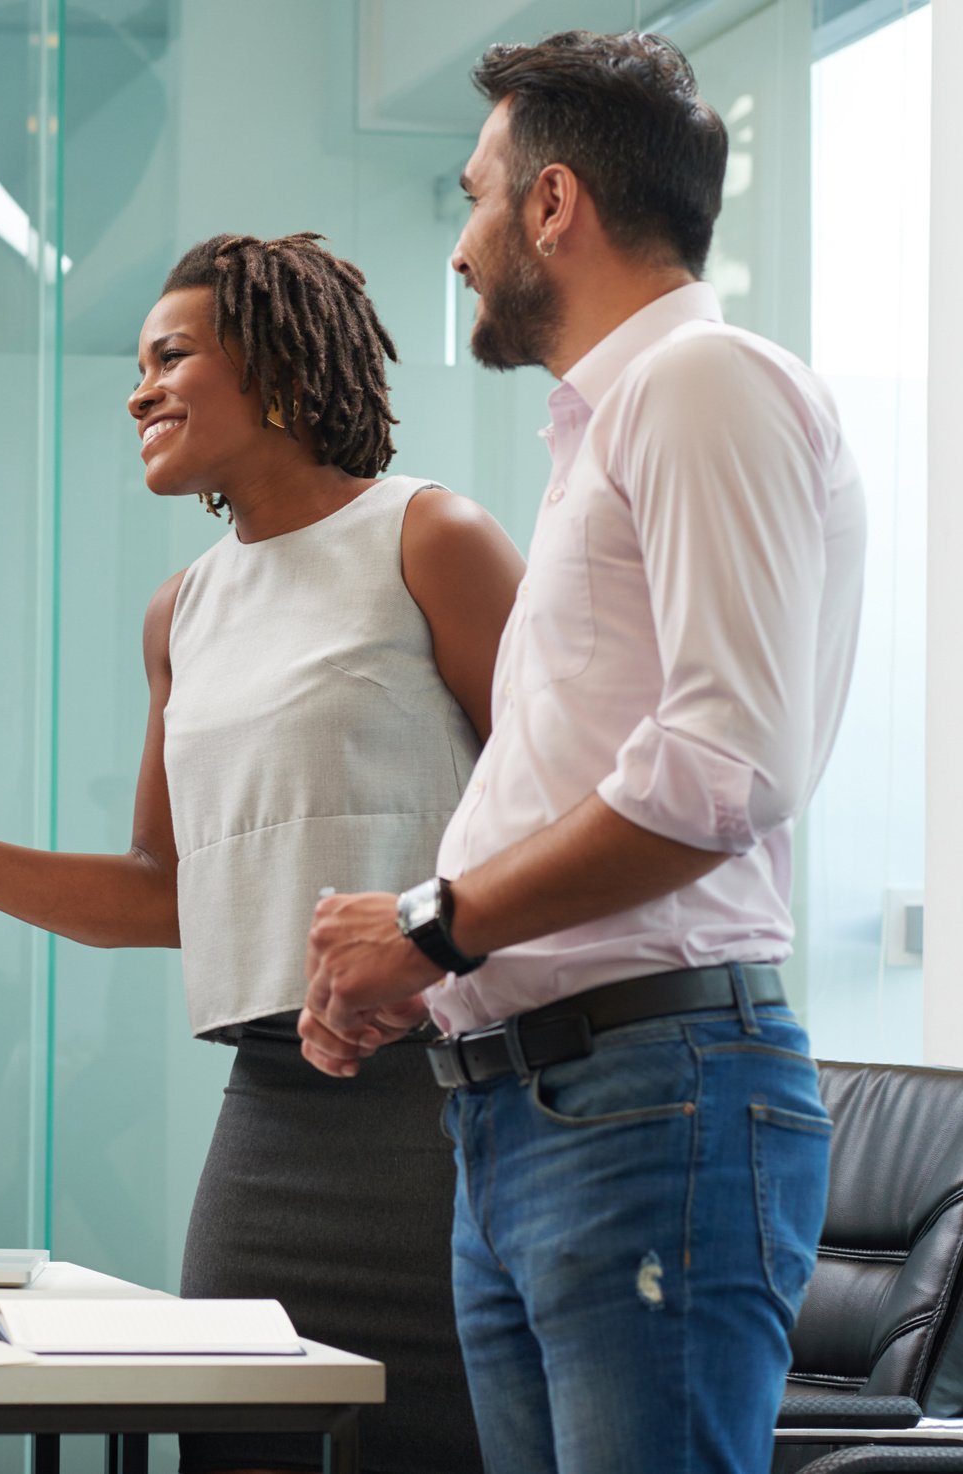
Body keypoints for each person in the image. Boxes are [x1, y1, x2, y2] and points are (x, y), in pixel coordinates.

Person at [0, 233, 524, 1473]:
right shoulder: (182, 609)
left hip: (448, 1115)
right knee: (229, 1443)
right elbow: (167, 895)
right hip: (272, 1118)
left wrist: (422, 932)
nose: (139, 389)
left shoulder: (432, 536)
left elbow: (555, 810)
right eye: (137, 365)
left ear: (276, 369)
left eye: (171, 356)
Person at [299, 31, 865, 1474]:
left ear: (555, 205)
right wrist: (435, 975)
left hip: (647, 1098)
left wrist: (433, 925)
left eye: (477, 197)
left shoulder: (699, 384)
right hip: (551, 1105)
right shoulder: (609, 427)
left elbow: (721, 772)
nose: (461, 248)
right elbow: (599, 761)